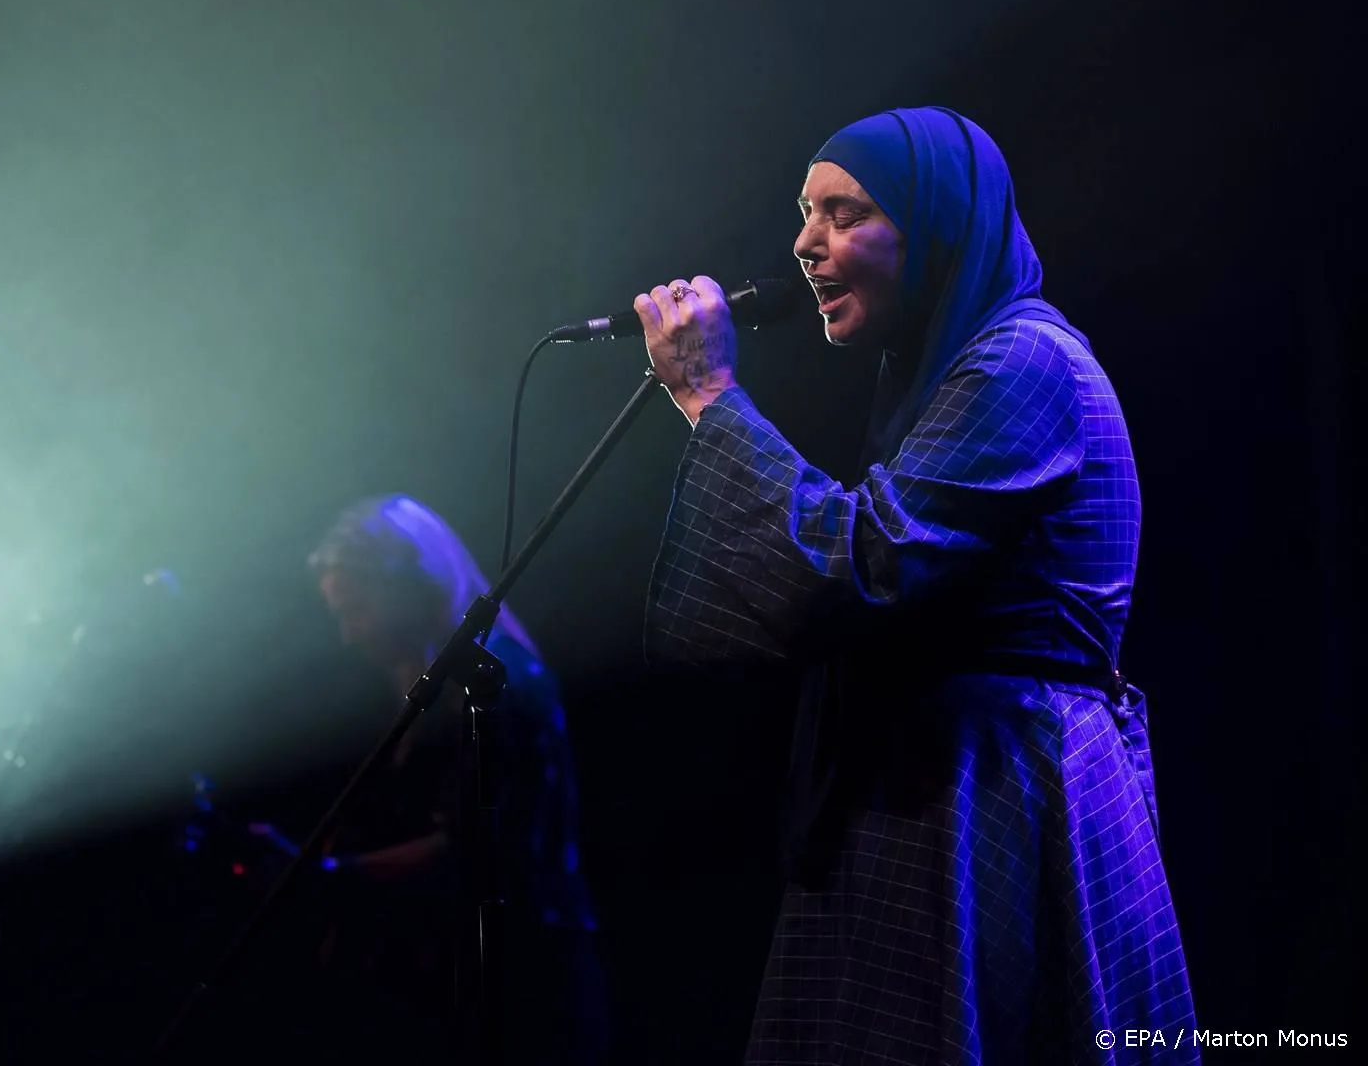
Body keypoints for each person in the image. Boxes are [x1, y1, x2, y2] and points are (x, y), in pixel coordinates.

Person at [632, 107, 1196, 1064]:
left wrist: (709, 396)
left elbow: (864, 561)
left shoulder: (1025, 362)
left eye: (846, 214)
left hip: (999, 797)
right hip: (946, 786)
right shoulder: (947, 373)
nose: (806, 243)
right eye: (805, 213)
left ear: (937, 228)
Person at [289, 493, 611, 1064]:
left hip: (525, 993)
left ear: (409, 585)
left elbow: (475, 848)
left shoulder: (499, 685)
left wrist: (333, 877)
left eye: (356, 609)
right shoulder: (430, 693)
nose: (348, 634)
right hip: (468, 983)